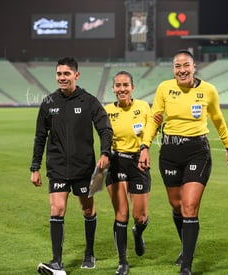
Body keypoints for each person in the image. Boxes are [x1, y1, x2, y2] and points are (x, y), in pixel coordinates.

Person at [138, 49, 228, 275]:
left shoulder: (208, 91)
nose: (181, 70)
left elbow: (218, 120)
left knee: (190, 206)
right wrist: (145, 146)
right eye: (177, 66)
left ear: (194, 67)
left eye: (186, 66)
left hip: (197, 151)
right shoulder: (164, 88)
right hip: (170, 152)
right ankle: (186, 247)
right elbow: (154, 119)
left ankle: (187, 265)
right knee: (177, 206)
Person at [30, 57, 113, 275]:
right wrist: (35, 166)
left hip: (84, 168)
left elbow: (105, 129)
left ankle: (89, 253)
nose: (62, 78)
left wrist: (105, 153)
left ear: (76, 75)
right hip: (57, 166)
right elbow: (40, 136)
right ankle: (56, 262)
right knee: (57, 209)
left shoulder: (89, 101)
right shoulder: (48, 102)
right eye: (59, 74)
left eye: (66, 74)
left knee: (87, 209)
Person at [104, 71, 162, 275]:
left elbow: (153, 128)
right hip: (116, 162)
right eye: (118, 85)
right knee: (121, 214)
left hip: (138, 163)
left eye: (125, 85)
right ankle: (123, 262)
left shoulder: (143, 107)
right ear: (113, 89)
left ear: (132, 88)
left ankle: (138, 233)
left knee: (140, 216)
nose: (122, 89)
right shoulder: (106, 111)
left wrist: (158, 125)